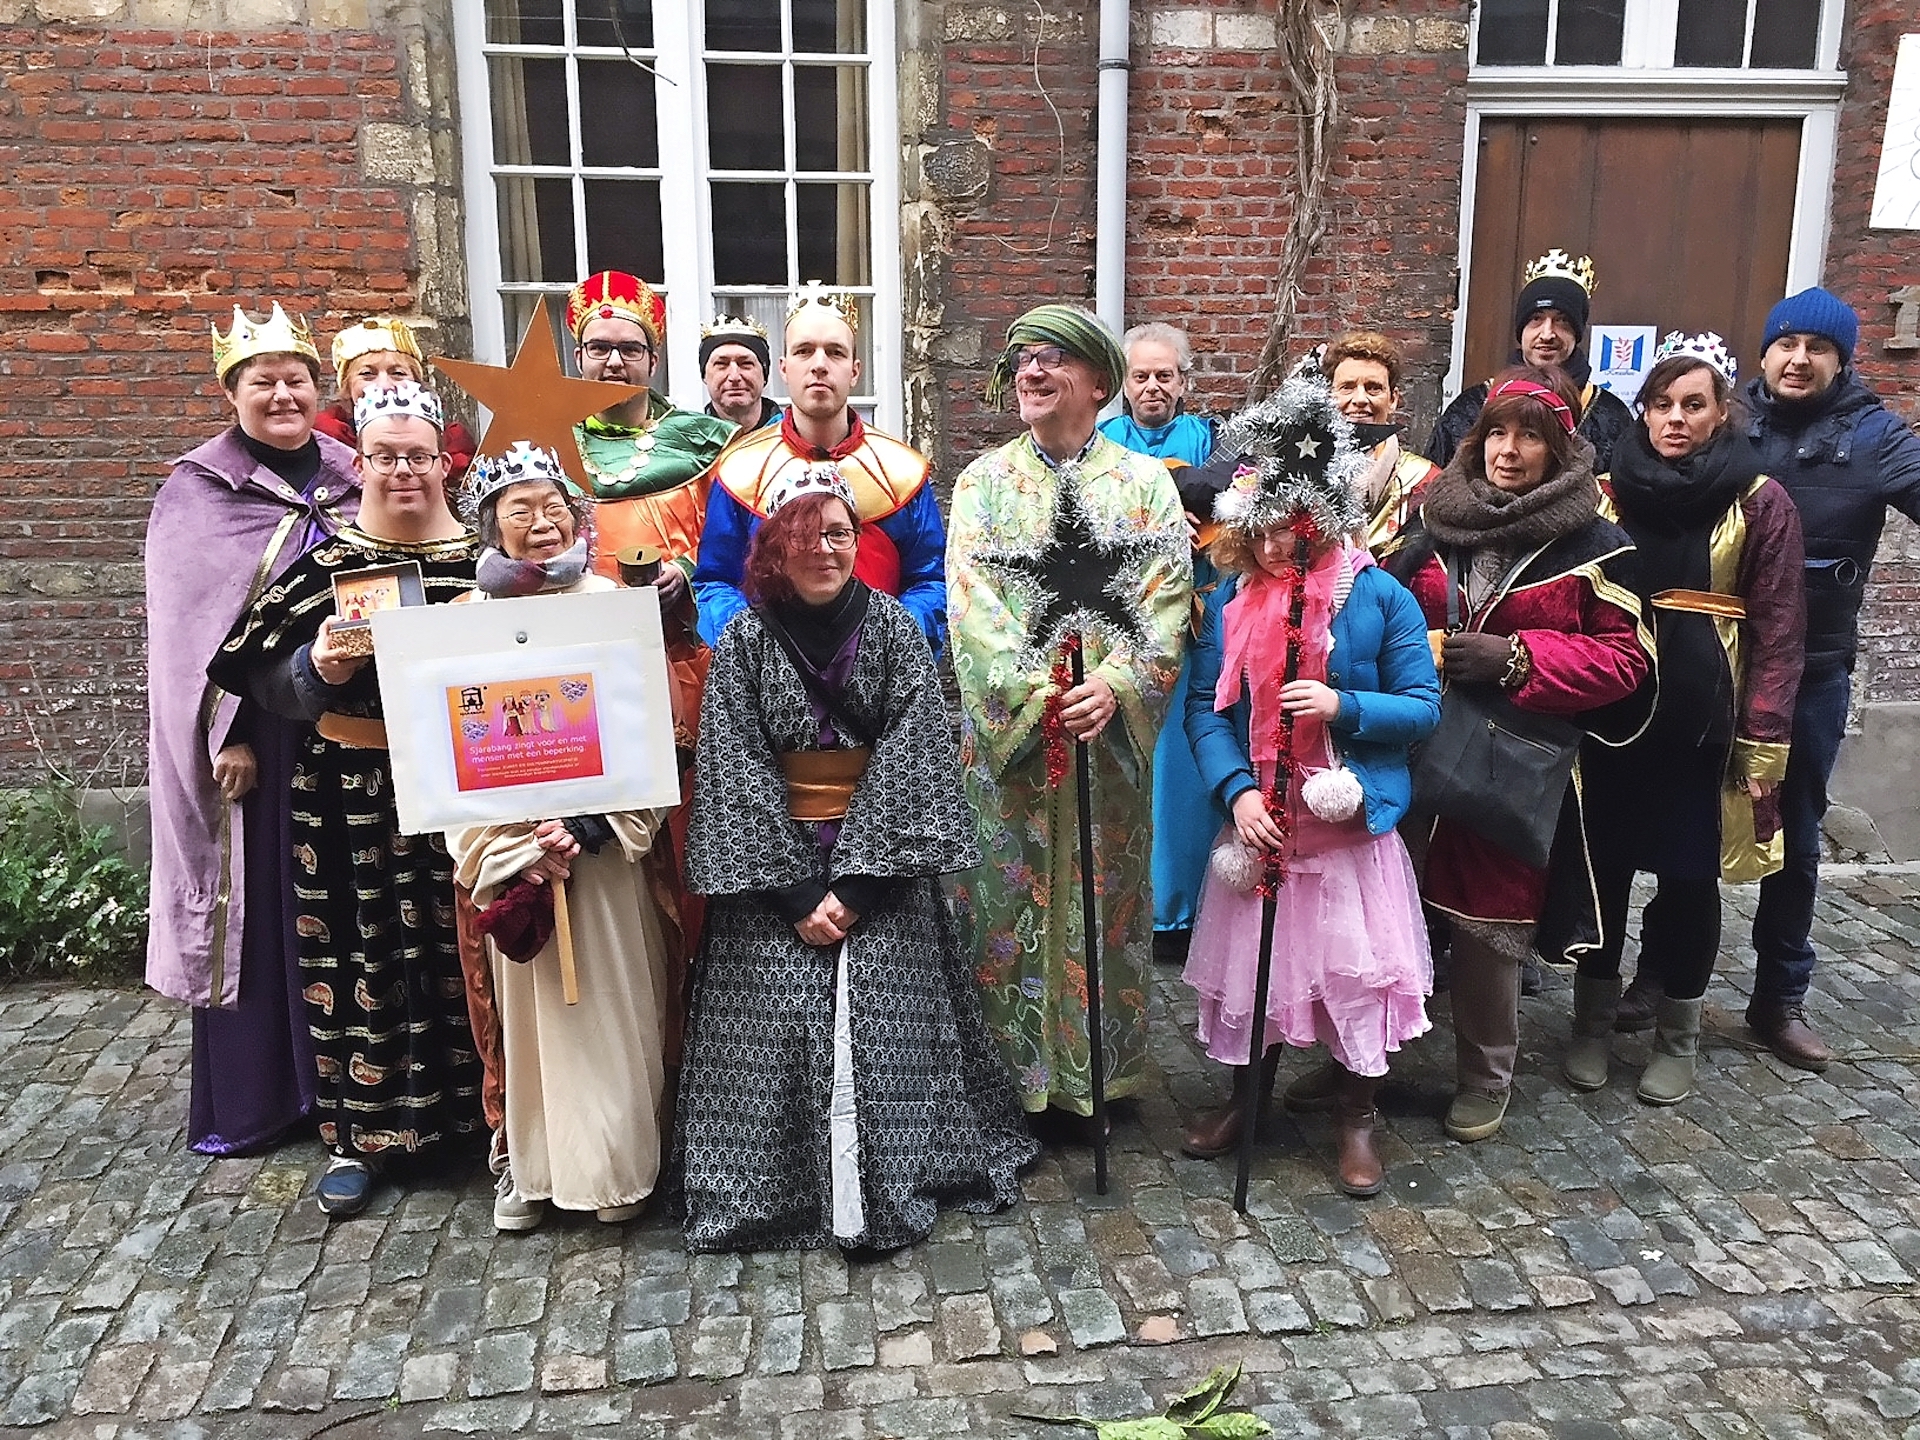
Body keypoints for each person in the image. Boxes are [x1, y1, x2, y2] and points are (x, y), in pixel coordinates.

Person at [677, 469, 1036, 1251]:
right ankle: (771, 1190)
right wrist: (799, 893)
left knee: (889, 1024)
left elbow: (916, 755)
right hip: (773, 872)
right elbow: (733, 765)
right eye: (806, 536)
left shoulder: (896, 629)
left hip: (880, 869)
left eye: (840, 533)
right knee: (773, 1020)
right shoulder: (742, 639)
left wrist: (860, 886)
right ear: (776, 548)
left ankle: (899, 1174)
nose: (826, 550)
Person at [209, 379, 482, 1216]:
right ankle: (358, 1138)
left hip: (464, 787)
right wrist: (314, 670)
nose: (404, 472)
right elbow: (258, 680)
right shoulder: (322, 569)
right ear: (359, 463)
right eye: (387, 457)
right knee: (363, 955)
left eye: (419, 457)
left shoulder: (485, 561)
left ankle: (483, 1127)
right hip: (347, 793)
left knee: (467, 954)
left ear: (444, 463)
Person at [1176, 381, 1440, 1197]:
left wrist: (1343, 704)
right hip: (1263, 820)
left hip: (1346, 819)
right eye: (1259, 537)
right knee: (1259, 970)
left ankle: (1356, 1114)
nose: (1276, 552)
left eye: (1292, 534)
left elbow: (1422, 706)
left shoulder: (1380, 596)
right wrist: (1237, 794)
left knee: (1353, 974)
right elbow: (1205, 708)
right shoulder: (1230, 603)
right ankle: (1246, 1100)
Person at [1387, 367, 1653, 1143]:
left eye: (1528, 435)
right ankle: (1359, 1067)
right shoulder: (1431, 525)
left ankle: (1484, 1075)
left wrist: (1518, 660)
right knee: (1380, 907)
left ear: (1559, 448)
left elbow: (1627, 661)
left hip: (1511, 761)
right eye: (1496, 433)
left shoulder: (1597, 544)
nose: (1508, 450)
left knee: (1487, 924)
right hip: (1409, 746)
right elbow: (1379, 616)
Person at [948, 304, 1191, 1129]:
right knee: (1001, 906)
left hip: (1107, 740)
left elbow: (1167, 598)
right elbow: (971, 604)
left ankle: (1096, 1075)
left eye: (1051, 358)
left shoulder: (1143, 484)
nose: (1030, 372)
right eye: (1020, 359)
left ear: (1096, 380)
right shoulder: (984, 483)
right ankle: (1011, 1078)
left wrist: (1118, 684)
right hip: (1018, 741)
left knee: (1106, 899)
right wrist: (1037, 694)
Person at [1545, 333, 1804, 1105]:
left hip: (1705, 724)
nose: (1675, 419)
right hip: (1615, 716)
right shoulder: (1604, 492)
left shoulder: (1761, 500)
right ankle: (1589, 1026)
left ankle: (1678, 1037)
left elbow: (1782, 629)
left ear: (1723, 412)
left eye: (1694, 405)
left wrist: (1761, 745)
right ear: (1644, 413)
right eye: (1661, 405)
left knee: (1690, 882)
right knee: (1609, 872)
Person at [147, 302, 360, 1156]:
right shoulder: (198, 493)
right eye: (261, 380)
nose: (281, 394)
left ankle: (352, 1086)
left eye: (296, 379)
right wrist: (220, 738)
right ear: (230, 391)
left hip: (347, 729)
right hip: (259, 742)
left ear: (320, 389)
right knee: (264, 908)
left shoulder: (355, 477)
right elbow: (184, 639)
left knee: (343, 906)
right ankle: (264, 1097)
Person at [445, 443, 673, 1232]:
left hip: (599, 853)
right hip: (517, 851)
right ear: (491, 524)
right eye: (520, 510)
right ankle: (532, 1167)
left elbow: (640, 725)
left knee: (611, 1004)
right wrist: (517, 844)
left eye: (552, 508)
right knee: (529, 1021)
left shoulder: (610, 603)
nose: (540, 525)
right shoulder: (464, 624)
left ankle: (616, 1169)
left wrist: (594, 823)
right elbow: (452, 747)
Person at [1736, 287, 1920, 1070]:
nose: (1799, 359)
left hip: (1810, 673)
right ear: (1767, 350)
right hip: (1714, 661)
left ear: (1843, 360)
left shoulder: (1877, 436)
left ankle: (1779, 998)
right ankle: (1659, 980)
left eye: (1819, 348)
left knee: (1795, 832)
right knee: (1679, 818)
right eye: (1787, 344)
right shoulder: (1729, 420)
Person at [568, 270, 734, 1070]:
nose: (612, 361)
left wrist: (686, 581)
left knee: (687, 847)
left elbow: (731, 558)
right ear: (577, 352)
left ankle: (701, 1033)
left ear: (653, 355)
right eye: (597, 347)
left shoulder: (702, 443)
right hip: (580, 678)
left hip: (681, 671)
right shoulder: (550, 443)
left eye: (629, 347)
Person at [694, 285, 947, 652]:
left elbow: (930, 581)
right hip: (773, 680)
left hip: (879, 678)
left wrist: (886, 641)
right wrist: (759, 647)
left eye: (835, 352)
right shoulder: (741, 471)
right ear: (783, 368)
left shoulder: (900, 472)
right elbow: (715, 581)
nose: (819, 364)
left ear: (855, 370)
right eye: (804, 351)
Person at [1427, 250, 1634, 473]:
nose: (1547, 334)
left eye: (1562, 321)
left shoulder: (1611, 415)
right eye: (1536, 319)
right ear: (1521, 329)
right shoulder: (1471, 407)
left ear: (1577, 333)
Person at [1320, 330, 1443, 558]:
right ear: (1328, 397)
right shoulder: (1300, 476)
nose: (1359, 399)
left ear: (1393, 399)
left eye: (1373, 388)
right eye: (1347, 387)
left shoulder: (1427, 483)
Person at [315, 316, 477, 482]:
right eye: (367, 374)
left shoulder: (455, 446)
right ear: (347, 387)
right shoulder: (325, 446)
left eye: (397, 373)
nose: (384, 386)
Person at [1099, 322, 1217, 465]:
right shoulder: (1101, 439)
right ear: (1125, 384)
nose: (1152, 386)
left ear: (1182, 383)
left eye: (1163, 376)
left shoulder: (1208, 438)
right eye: (1141, 377)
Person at [701, 315, 781, 430]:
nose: (734, 377)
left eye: (745, 364)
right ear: (704, 375)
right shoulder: (687, 444)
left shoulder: (795, 441)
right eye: (721, 364)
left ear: (764, 374)